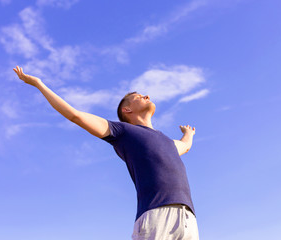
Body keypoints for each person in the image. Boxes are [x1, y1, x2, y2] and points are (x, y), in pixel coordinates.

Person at [13, 66, 199, 240]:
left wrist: (188, 134)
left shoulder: (167, 142)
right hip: (156, 214)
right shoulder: (123, 131)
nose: (146, 95)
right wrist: (38, 83)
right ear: (127, 109)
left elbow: (185, 146)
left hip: (188, 218)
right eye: (138, 96)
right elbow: (74, 115)